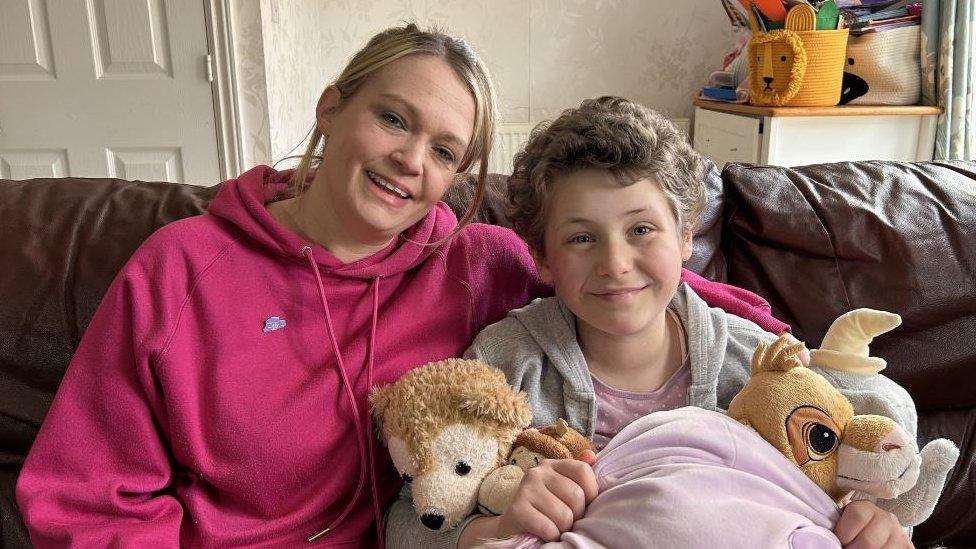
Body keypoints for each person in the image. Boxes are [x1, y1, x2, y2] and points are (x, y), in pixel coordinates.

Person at [17, 27, 790, 548]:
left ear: (458, 176)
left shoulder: (478, 263)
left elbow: (614, 287)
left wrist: (767, 332)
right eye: (394, 119)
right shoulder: (180, 267)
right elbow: (87, 494)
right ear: (332, 109)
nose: (410, 160)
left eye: (445, 149)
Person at [386, 97, 916, 549]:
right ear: (543, 258)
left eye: (641, 229)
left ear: (686, 236)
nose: (615, 263)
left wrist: (869, 525)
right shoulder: (505, 367)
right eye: (581, 237)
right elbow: (406, 526)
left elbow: (844, 472)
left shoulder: (762, 367)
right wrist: (498, 524)